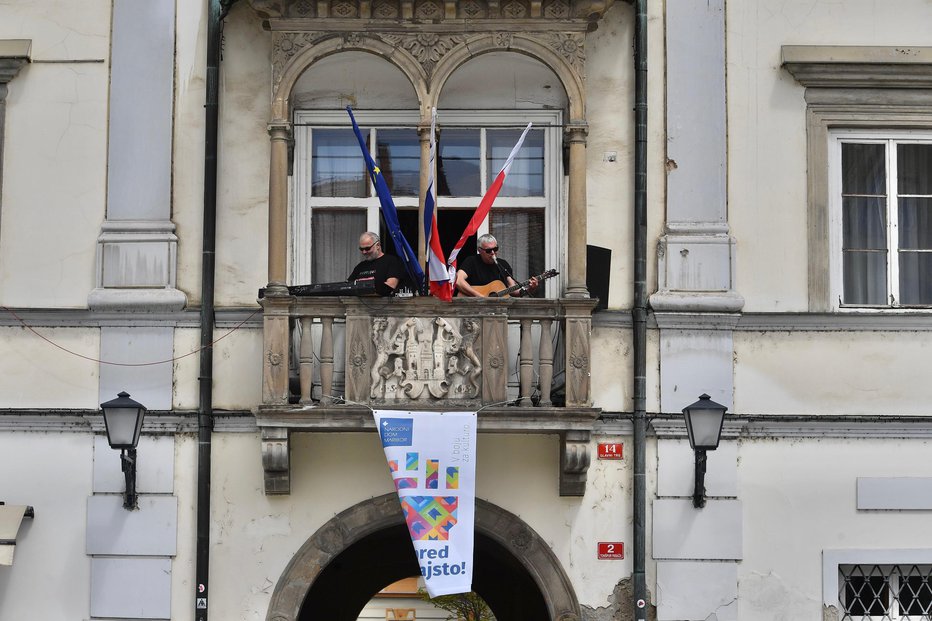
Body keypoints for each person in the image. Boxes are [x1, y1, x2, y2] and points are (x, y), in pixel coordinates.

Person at [455, 234, 539, 297]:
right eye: (488, 250)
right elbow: (458, 280)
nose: (492, 252)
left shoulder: (503, 264)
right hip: (474, 307)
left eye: (495, 249)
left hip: (497, 311)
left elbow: (512, 290)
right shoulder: (471, 261)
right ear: (479, 250)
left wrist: (530, 289)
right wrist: (479, 296)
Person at [348, 232, 406, 296]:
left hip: (383, 304)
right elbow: (348, 286)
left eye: (367, 248)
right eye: (361, 249)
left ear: (378, 245)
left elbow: (391, 285)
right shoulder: (360, 266)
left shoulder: (391, 261)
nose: (364, 252)